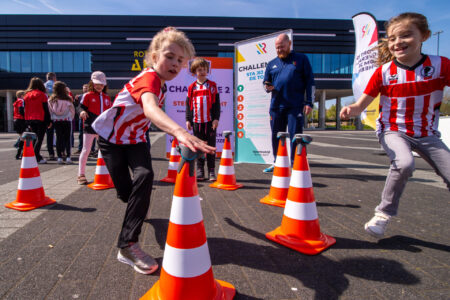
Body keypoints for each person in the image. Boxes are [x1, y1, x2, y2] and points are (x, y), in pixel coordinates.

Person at [92, 27, 214, 275]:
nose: (175, 64)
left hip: (135, 140)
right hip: (111, 141)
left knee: (145, 176)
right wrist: (179, 131)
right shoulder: (148, 79)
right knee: (127, 195)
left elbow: (148, 114)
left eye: (180, 61)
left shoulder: (162, 85)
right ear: (154, 56)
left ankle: (127, 244)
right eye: (170, 56)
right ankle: (134, 205)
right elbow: (149, 108)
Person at [340, 12, 450, 238]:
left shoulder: (441, 65)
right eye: (392, 38)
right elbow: (361, 105)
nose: (397, 42)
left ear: (425, 36)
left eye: (406, 36)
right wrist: (352, 110)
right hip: (393, 130)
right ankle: (382, 214)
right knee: (405, 162)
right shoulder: (383, 72)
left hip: (428, 134)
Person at [263, 33, 315, 172]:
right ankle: (277, 163)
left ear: (289, 44)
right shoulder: (271, 64)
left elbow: (310, 82)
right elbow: (265, 82)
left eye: (282, 47)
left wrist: (309, 102)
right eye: (277, 48)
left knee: (295, 136)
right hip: (276, 107)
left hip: (295, 106)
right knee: (276, 136)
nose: (279, 50)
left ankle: (295, 165)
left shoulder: (301, 59)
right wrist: (267, 86)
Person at [185, 57, 221, 181]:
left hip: (210, 123)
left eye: (204, 69)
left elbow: (217, 104)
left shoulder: (212, 85)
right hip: (196, 123)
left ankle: (211, 171)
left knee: (210, 147)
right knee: (199, 148)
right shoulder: (191, 87)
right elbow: (188, 105)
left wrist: (216, 118)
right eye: (199, 70)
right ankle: (200, 170)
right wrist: (188, 119)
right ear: (195, 71)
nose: (202, 72)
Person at [77, 71, 112, 184]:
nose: (100, 86)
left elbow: (110, 113)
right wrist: (82, 112)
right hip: (90, 127)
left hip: (103, 129)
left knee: (106, 151)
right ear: (92, 83)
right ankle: (81, 175)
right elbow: (80, 107)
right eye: (97, 84)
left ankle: (107, 174)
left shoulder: (107, 98)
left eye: (102, 84)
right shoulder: (87, 95)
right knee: (86, 150)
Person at [23, 77, 51, 164]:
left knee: (34, 138)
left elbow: (24, 108)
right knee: (40, 138)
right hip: (40, 118)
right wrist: (49, 121)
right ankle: (36, 156)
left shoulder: (26, 95)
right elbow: (46, 109)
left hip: (30, 119)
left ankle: (34, 154)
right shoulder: (42, 95)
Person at [48, 81, 75, 164]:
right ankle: (68, 157)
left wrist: (51, 120)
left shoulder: (51, 99)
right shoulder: (68, 98)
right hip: (67, 120)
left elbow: (50, 111)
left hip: (56, 121)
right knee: (67, 139)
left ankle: (59, 157)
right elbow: (72, 110)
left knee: (58, 138)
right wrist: (71, 117)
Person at [73, 84, 90, 154]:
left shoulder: (90, 96)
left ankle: (91, 149)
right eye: (84, 88)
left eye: (86, 88)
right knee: (81, 134)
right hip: (81, 118)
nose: (85, 89)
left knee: (91, 134)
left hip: (89, 118)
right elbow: (77, 106)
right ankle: (80, 148)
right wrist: (75, 100)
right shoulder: (79, 97)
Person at [44, 72, 57, 160]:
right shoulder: (56, 86)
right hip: (56, 112)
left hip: (46, 112)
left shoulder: (43, 86)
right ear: (54, 77)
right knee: (60, 133)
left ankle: (51, 153)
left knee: (49, 134)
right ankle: (62, 152)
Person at [13, 90, 26, 159]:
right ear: (22, 95)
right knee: (23, 138)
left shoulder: (16, 102)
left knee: (21, 137)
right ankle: (20, 153)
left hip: (16, 120)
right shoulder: (21, 101)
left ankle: (19, 153)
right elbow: (21, 110)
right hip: (21, 120)